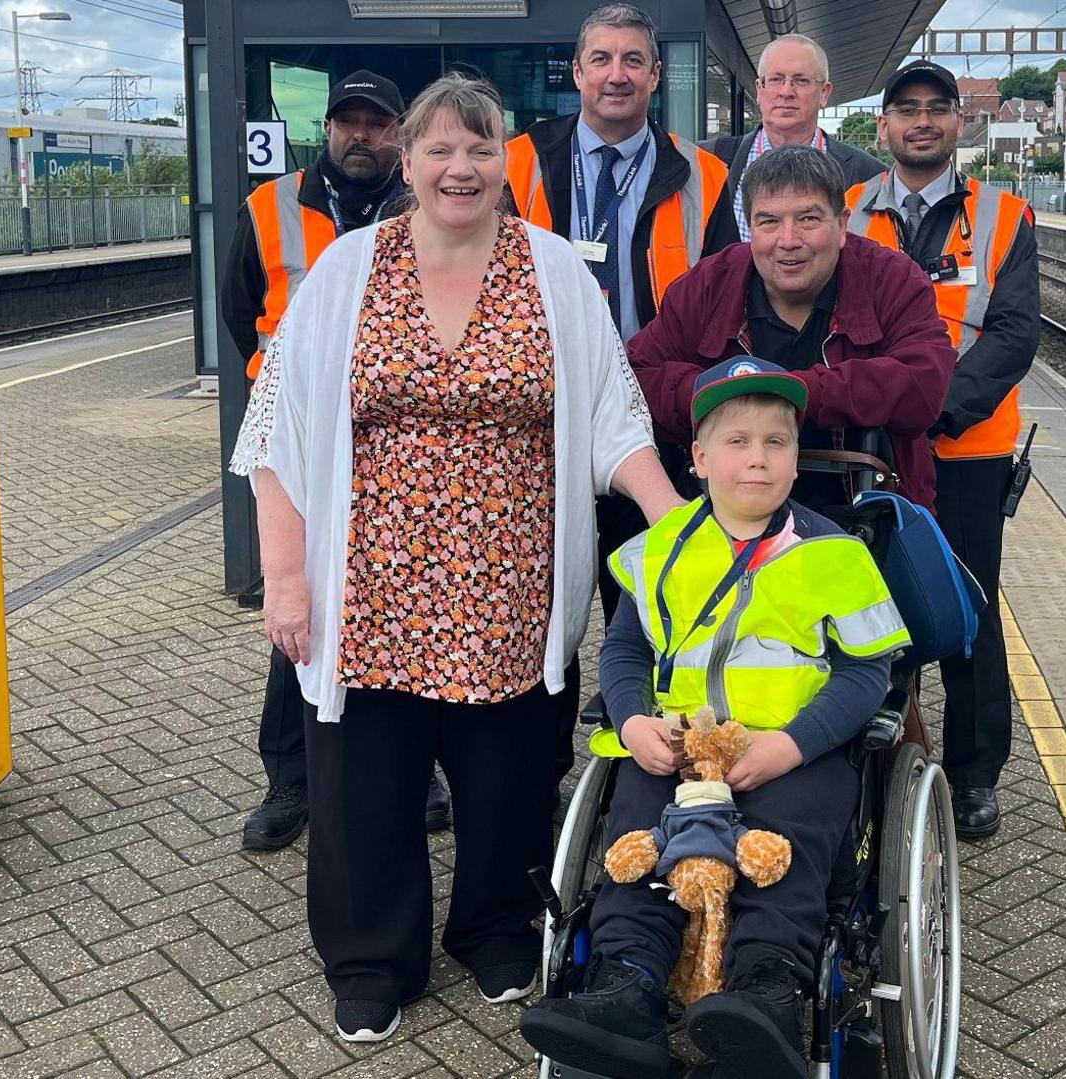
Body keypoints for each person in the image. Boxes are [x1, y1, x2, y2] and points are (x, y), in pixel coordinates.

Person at [228, 73, 684, 1043]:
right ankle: (369, 956)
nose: (460, 166)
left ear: (504, 161)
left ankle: (495, 925)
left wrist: (675, 517)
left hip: (512, 593)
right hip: (370, 595)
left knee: (510, 776)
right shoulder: (347, 272)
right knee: (366, 785)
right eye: (439, 148)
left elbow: (614, 419)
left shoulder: (557, 271)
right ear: (408, 162)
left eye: (479, 148)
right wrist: (287, 575)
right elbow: (275, 431)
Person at [519, 358, 910, 1079]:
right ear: (698, 459)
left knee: (785, 842)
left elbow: (866, 675)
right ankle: (626, 985)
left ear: (797, 459)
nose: (756, 457)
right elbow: (628, 652)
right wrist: (635, 722)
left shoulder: (838, 556)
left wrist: (792, 745)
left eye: (775, 442)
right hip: (677, 747)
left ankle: (768, 994)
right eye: (736, 441)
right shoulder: (659, 550)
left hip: (793, 751)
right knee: (636, 832)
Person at [220, 69, 451, 850]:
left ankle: (413, 775)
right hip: (305, 449)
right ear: (327, 127)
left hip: (397, 448)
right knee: (301, 611)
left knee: (410, 611)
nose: (363, 135)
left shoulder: (430, 206)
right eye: (348, 121)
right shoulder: (270, 208)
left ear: (402, 138)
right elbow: (238, 310)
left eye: (379, 123)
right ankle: (291, 782)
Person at [844, 60, 1040, 841]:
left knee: (968, 605)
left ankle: (974, 773)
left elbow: (1016, 334)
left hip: (964, 451)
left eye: (937, 109)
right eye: (906, 111)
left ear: (960, 124)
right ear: (883, 127)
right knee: (872, 604)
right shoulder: (850, 209)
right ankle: (877, 754)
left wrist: (934, 411)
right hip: (871, 446)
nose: (922, 122)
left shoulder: (1004, 215)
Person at [505, 1, 739, 628]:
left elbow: (724, 305)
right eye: (601, 59)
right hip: (539, 413)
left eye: (633, 60)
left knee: (652, 605)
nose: (617, 75)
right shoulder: (515, 163)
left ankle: (635, 717)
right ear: (577, 73)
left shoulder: (704, 175)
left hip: (653, 420)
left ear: (656, 74)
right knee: (534, 608)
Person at [627, 144, 956, 515]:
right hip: (724, 523)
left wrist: (789, 392)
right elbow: (636, 380)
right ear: (749, 227)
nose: (788, 240)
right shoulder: (706, 285)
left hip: (867, 521)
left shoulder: (893, 279)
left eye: (808, 219)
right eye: (769, 221)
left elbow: (924, 385)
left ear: (842, 224)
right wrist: (715, 391)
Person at [702, 34, 884, 244]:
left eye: (801, 80)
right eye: (776, 79)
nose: (786, 92)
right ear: (759, 90)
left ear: (824, 93)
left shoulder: (870, 175)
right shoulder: (707, 163)